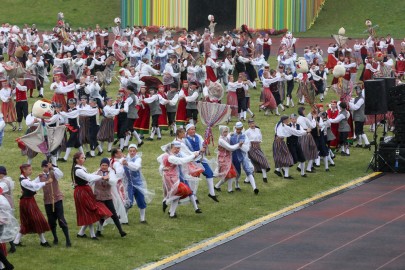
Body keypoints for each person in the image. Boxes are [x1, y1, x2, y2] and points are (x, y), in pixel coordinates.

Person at [72, 152, 112, 240]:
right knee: (90, 211)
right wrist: (101, 177)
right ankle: (92, 235)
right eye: (82, 158)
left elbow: (89, 177)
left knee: (89, 212)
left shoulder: (81, 168)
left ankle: (81, 233)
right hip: (82, 192)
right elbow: (89, 178)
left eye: (84, 158)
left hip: (85, 190)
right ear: (77, 160)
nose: (84, 159)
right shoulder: (78, 170)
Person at [13, 164, 52, 248]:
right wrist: (46, 182)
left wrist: (38, 178)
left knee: (27, 221)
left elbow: (32, 183)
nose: (31, 171)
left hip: (29, 201)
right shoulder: (23, 180)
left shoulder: (25, 178)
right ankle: (43, 241)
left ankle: (16, 242)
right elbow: (34, 186)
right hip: (27, 202)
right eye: (30, 170)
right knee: (36, 219)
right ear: (24, 170)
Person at [157, 141, 201, 218]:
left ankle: (172, 214)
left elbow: (185, 157)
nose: (178, 150)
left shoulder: (169, 155)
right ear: (171, 148)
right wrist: (163, 168)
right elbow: (181, 161)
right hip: (171, 178)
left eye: (179, 148)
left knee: (178, 193)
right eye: (176, 148)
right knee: (184, 191)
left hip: (174, 177)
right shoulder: (170, 157)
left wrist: (197, 153)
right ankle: (166, 201)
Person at [39, 160, 71, 247]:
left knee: (61, 219)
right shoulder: (40, 176)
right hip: (47, 202)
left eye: (47, 166)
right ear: (42, 167)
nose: (46, 168)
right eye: (44, 167)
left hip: (57, 200)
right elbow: (34, 185)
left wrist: (53, 167)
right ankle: (55, 238)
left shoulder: (54, 173)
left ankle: (68, 240)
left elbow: (61, 174)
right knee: (51, 221)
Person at [184, 124, 219, 202]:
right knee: (194, 178)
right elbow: (186, 151)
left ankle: (212, 193)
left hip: (201, 159)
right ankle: (193, 196)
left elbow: (203, 143)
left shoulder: (198, 136)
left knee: (209, 173)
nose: (193, 131)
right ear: (187, 130)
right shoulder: (184, 139)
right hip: (192, 161)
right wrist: (199, 151)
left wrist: (205, 145)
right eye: (191, 129)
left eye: (194, 129)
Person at [94, 158, 127, 237]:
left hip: (107, 197)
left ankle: (121, 231)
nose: (104, 167)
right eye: (103, 165)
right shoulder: (97, 172)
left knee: (113, 214)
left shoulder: (111, 173)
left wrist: (108, 179)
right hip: (98, 197)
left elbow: (113, 181)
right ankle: (98, 231)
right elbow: (89, 178)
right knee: (101, 215)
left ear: (108, 166)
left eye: (106, 165)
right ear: (100, 165)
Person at [122, 144, 152, 223]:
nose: (132, 152)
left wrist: (127, 164)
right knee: (129, 202)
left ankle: (142, 219)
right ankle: (124, 219)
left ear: (136, 151)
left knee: (141, 201)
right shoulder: (124, 158)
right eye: (130, 151)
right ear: (128, 151)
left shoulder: (138, 159)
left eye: (134, 151)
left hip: (138, 183)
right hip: (128, 184)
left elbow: (136, 167)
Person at [230, 122, 258, 194]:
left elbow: (247, 148)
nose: (238, 130)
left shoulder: (245, 136)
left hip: (243, 156)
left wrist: (241, 145)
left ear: (242, 128)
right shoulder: (232, 135)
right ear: (235, 128)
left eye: (240, 129)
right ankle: (236, 185)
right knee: (237, 172)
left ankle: (255, 188)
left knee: (248, 170)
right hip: (235, 156)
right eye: (237, 129)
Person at [214, 126, 240, 193]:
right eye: (224, 132)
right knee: (229, 173)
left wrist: (233, 132)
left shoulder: (226, 137)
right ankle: (229, 189)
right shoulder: (221, 140)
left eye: (226, 131)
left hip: (228, 158)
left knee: (229, 174)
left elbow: (229, 135)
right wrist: (238, 145)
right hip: (223, 158)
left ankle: (217, 186)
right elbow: (230, 148)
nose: (226, 133)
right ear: (221, 132)